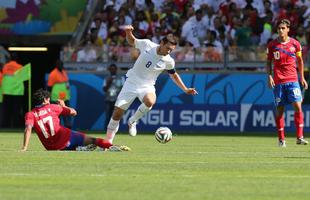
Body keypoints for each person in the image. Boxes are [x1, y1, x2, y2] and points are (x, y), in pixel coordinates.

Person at [105, 25, 198, 144]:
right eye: (168, 48)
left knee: (150, 101)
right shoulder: (147, 45)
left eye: (171, 50)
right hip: (132, 82)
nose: (169, 51)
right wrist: (128, 32)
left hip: (147, 86)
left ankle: (133, 121)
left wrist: (185, 89)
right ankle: (108, 142)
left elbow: (173, 75)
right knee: (117, 113)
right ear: (162, 43)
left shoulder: (169, 61)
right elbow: (132, 41)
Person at [21, 89, 130, 152]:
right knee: (93, 140)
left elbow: (28, 129)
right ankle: (112, 147)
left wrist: (24, 147)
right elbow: (73, 112)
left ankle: (79, 148)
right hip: (66, 137)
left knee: (73, 146)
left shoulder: (30, 114)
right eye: (48, 99)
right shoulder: (53, 107)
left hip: (51, 147)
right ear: (45, 100)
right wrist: (64, 106)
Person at [266, 19, 308, 147]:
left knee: (298, 106)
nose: (281, 30)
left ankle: (299, 137)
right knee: (280, 110)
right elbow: (268, 62)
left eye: (283, 28)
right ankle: (281, 139)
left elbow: (300, 62)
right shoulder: (272, 45)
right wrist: (269, 76)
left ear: (288, 29)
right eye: (279, 28)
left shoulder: (295, 44)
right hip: (278, 81)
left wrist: (302, 78)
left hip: (292, 80)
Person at [47, 59, 72, 128]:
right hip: (56, 98)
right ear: (56, 66)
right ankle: (57, 128)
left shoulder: (64, 72)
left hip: (65, 97)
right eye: (59, 64)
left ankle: (68, 127)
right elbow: (49, 87)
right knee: (57, 114)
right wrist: (48, 97)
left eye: (61, 64)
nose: (61, 66)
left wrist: (68, 92)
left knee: (66, 112)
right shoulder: (53, 74)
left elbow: (67, 84)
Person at [2, 52, 24, 128]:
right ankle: (16, 125)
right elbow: (23, 78)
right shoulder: (20, 67)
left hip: (7, 91)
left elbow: (4, 75)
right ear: (17, 58)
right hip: (17, 92)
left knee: (6, 110)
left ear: (10, 58)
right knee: (16, 110)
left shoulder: (5, 66)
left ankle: (6, 125)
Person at [102, 63, 123, 130]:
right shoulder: (106, 78)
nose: (112, 70)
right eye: (111, 69)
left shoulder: (121, 78)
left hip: (117, 100)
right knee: (108, 115)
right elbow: (104, 89)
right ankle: (106, 129)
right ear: (109, 70)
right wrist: (109, 82)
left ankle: (116, 129)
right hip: (108, 99)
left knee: (116, 115)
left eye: (114, 69)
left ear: (116, 70)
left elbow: (123, 89)